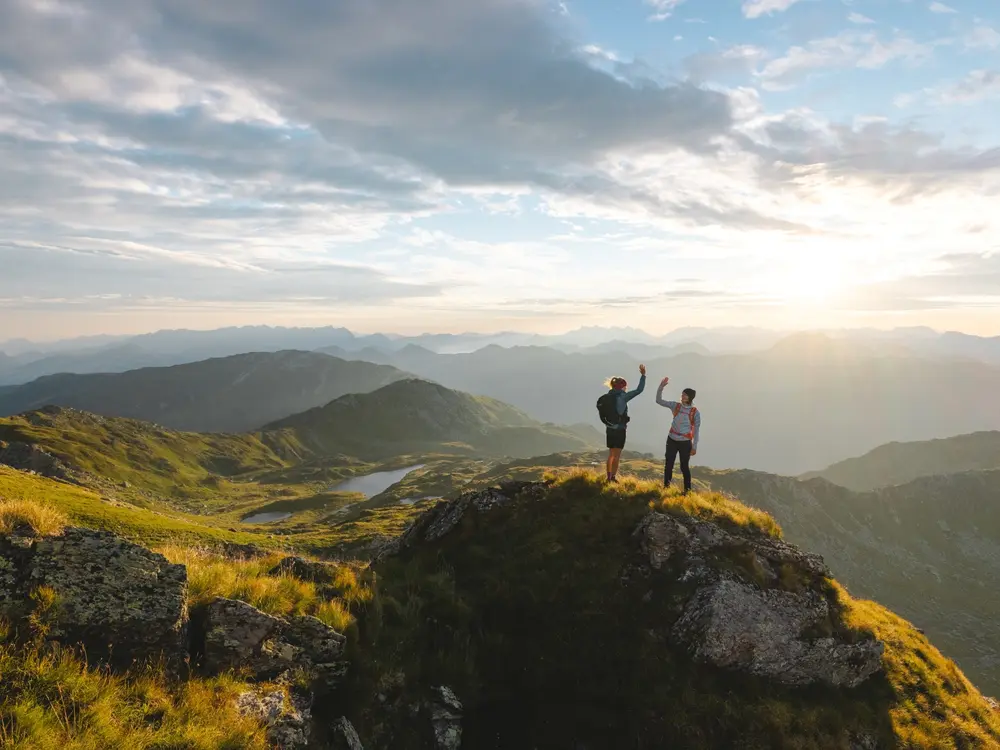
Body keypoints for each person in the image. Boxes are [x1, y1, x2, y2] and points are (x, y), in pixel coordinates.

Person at [600, 364, 646, 482]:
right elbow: (639, 390)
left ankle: (608, 476)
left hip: (609, 428)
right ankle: (613, 478)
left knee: (611, 454)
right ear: (622, 387)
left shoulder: (607, 397)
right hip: (620, 429)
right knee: (617, 455)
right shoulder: (623, 397)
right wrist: (643, 375)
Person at [655, 377, 700, 493]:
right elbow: (659, 401)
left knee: (684, 467)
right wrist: (661, 387)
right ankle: (666, 487)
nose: (682, 396)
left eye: (685, 395)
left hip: (685, 442)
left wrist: (694, 446)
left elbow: (696, 430)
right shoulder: (676, 406)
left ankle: (688, 491)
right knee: (668, 464)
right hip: (672, 439)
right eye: (682, 394)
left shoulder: (695, 412)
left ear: (690, 397)